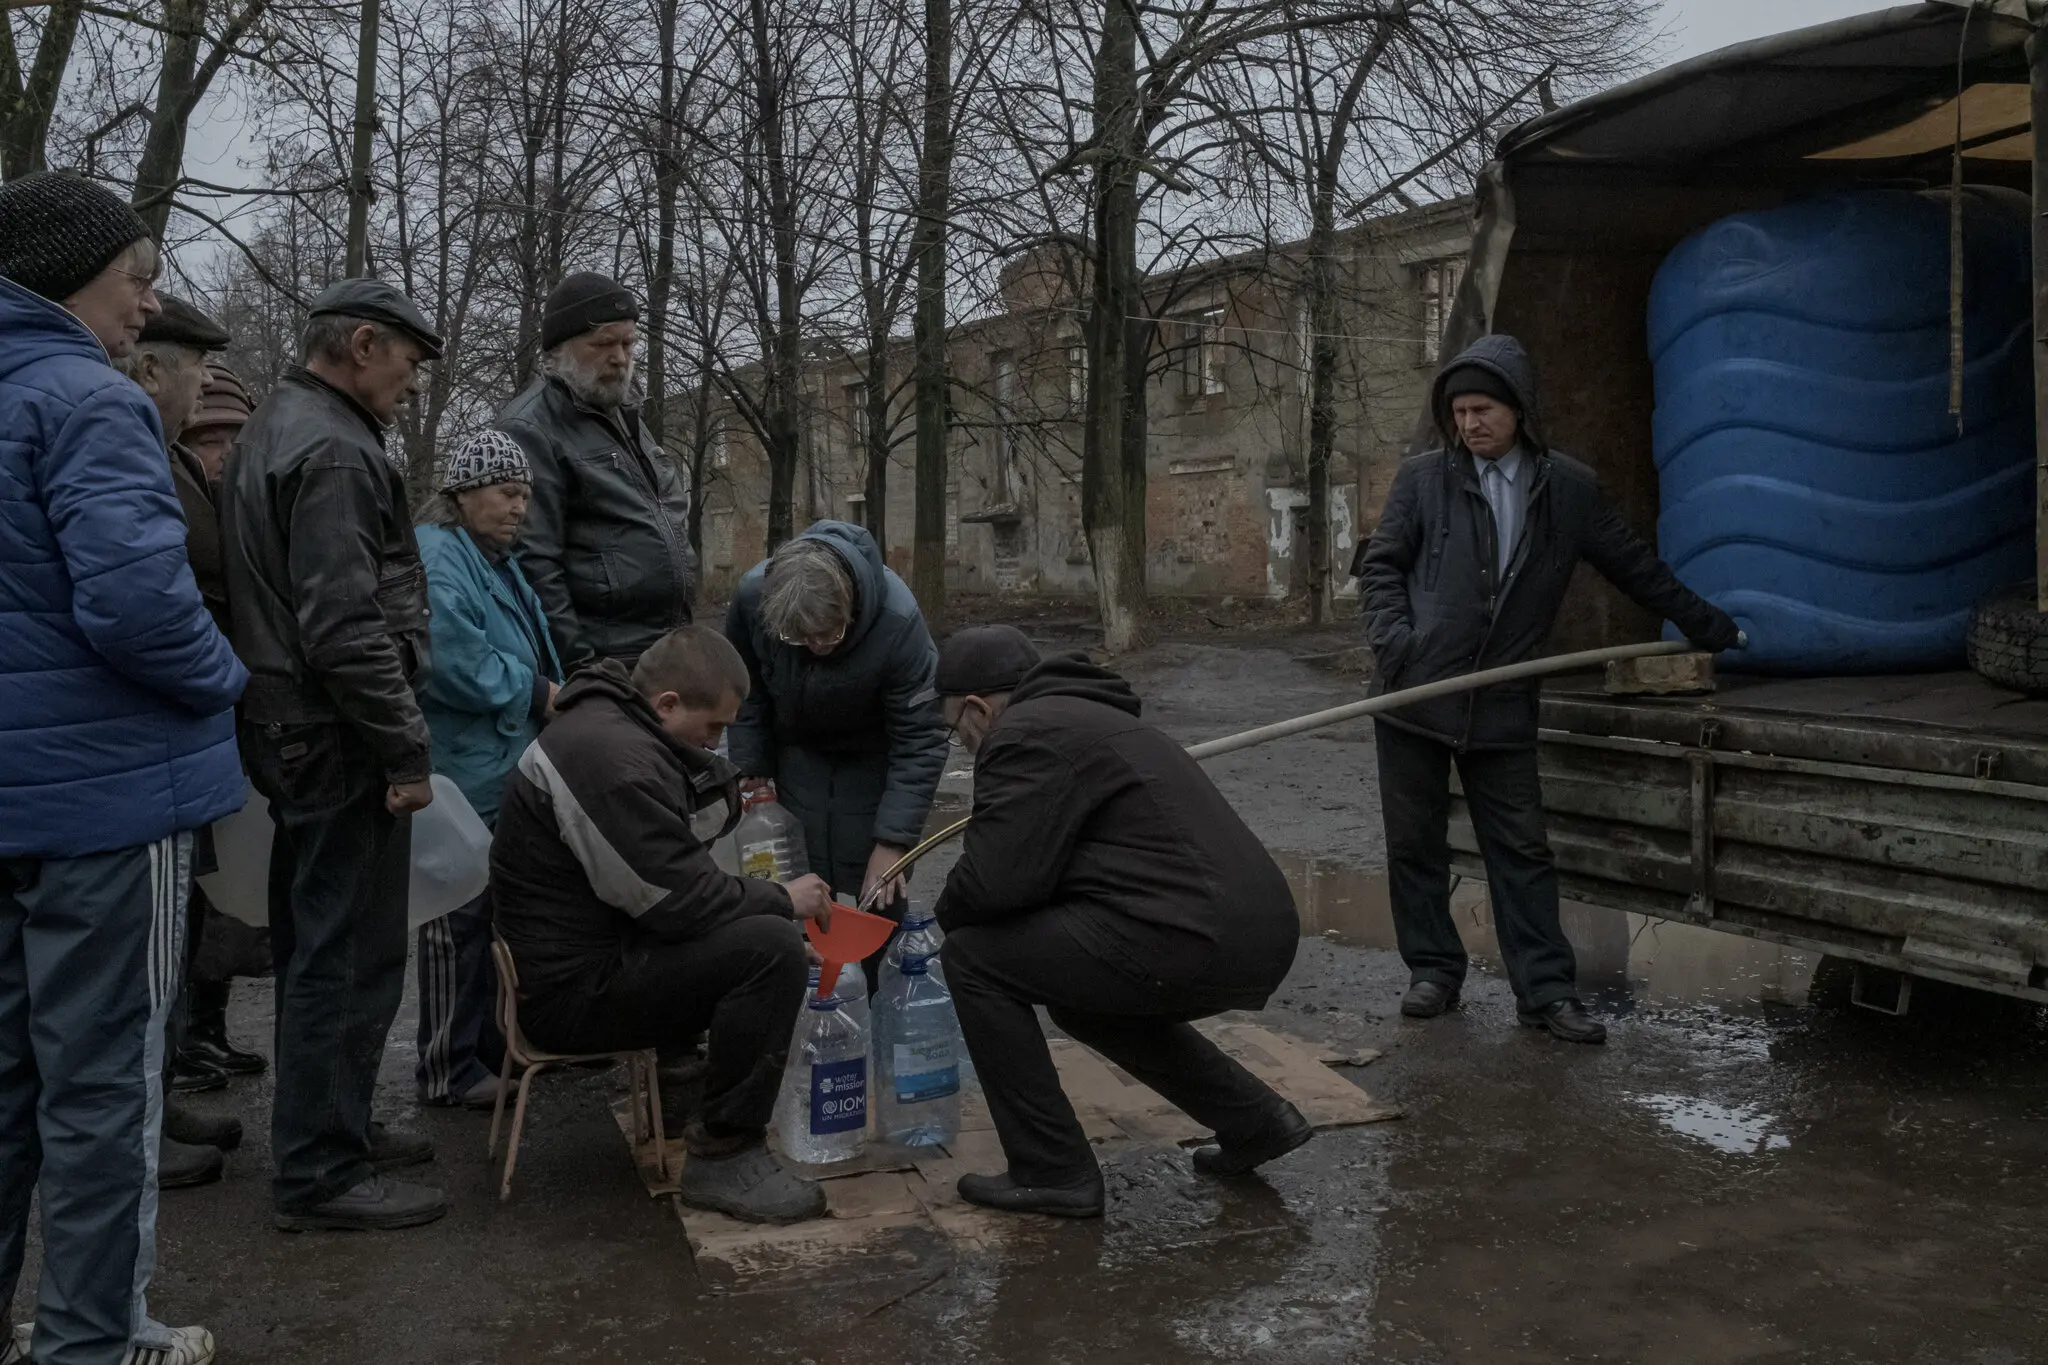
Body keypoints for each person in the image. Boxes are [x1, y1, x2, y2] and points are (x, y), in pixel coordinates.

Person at [1, 170, 242, 1365]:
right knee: (104, 1088)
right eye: (138, 279)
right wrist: (227, 680)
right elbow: (143, 611)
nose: (149, 307)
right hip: (105, 802)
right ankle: (94, 1340)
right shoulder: (88, 402)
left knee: (3, 1085)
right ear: (70, 273)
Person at [1357, 334, 1742, 1044]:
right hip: (1411, 698)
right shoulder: (1423, 479)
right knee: (1416, 843)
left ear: (1519, 410)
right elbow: (1381, 567)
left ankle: (1546, 993)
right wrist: (1396, 643)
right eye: (1460, 411)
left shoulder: (1566, 489)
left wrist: (1706, 623)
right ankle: (1434, 970)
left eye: (1483, 408)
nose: (1470, 423)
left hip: (1501, 703)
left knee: (1522, 851)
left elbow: (1632, 565)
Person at [933, 627, 1309, 1219]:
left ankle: (1050, 1170)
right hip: (1252, 930)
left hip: (1193, 934)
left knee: (973, 959)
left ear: (978, 708)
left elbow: (996, 883)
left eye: (956, 730)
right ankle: (1256, 1120)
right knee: (1079, 997)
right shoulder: (1090, 717)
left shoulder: (1023, 735)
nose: (964, 745)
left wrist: (939, 918)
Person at [220, 277, 448, 1233]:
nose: (412, 381)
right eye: (408, 359)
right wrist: (405, 749)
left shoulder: (279, 424)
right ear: (362, 343)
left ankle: (336, 1129)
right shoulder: (337, 452)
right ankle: (320, 1170)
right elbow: (348, 626)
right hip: (337, 735)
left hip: (293, 727)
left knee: (325, 943)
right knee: (345, 955)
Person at [490, 626, 838, 1225]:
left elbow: (661, 893)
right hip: (570, 997)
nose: (719, 744)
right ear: (667, 704)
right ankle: (726, 1154)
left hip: (579, 965)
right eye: (714, 728)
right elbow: (680, 902)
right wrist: (780, 898)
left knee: (754, 943)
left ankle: (685, 1093)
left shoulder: (603, 730)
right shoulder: (610, 760)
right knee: (773, 949)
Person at [109, 295, 257, 1187]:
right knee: (142, 950)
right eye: (196, 369)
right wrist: (226, 677)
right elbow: (150, 608)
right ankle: (142, 1126)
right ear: (155, 369)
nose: (204, 394)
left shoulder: (175, 466)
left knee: (180, 928)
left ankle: (162, 1093)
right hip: (158, 730)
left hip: (184, 734)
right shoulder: (141, 461)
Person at [413, 430, 563, 1109]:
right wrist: (537, 693)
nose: (518, 508)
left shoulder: (490, 557)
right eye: (507, 493)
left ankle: (489, 1048)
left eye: (525, 495)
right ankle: (447, 1065)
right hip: (461, 769)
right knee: (456, 921)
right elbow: (450, 659)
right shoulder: (442, 558)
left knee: (490, 914)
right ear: (464, 492)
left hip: (494, 762)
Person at [726, 521, 948, 959]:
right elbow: (744, 690)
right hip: (794, 748)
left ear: (851, 607)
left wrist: (893, 844)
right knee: (787, 879)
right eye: (800, 639)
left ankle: (879, 990)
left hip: (874, 753)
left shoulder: (898, 621)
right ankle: (798, 987)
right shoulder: (754, 598)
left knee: (879, 889)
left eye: (829, 634)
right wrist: (751, 767)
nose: (816, 648)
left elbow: (920, 737)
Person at [494, 271, 696, 668]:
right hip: (606, 662)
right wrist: (584, 673)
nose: (620, 358)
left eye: (628, 343)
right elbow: (535, 568)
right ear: (560, 349)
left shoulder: (624, 417)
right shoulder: (531, 429)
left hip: (661, 650)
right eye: (603, 343)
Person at [167, 361, 272, 1094]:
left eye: (234, 437)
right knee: (192, 894)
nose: (222, 453)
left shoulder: (242, 505)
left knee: (226, 889)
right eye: (208, 437)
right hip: (197, 711)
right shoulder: (173, 496)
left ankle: (207, 1030)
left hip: (233, 722)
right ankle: (184, 1049)